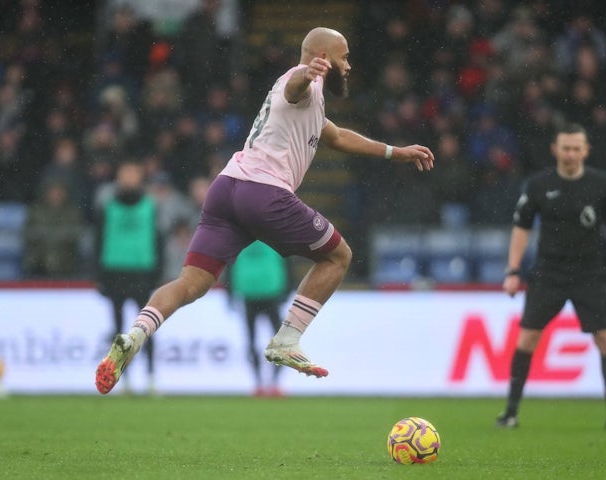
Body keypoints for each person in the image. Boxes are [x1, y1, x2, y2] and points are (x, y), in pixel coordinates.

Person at [95, 27, 434, 395]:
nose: (348, 66)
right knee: (338, 256)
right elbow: (296, 85)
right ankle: (287, 339)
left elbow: (335, 136)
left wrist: (393, 152)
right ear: (323, 56)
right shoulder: (299, 81)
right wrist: (307, 73)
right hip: (263, 192)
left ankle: (136, 333)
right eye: (344, 57)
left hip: (226, 188)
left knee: (191, 283)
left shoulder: (310, 102)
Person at [496, 123, 606, 428]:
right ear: (555, 150)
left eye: (576, 148)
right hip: (549, 272)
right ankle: (511, 412)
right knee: (528, 337)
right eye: (565, 148)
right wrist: (513, 270)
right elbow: (522, 227)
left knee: (604, 338)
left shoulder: (600, 185)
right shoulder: (538, 185)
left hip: (591, 272)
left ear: (586, 151)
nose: (570, 154)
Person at [95, 159, 163, 394]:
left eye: (133, 173)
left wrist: (157, 272)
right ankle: (119, 378)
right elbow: (98, 241)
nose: (130, 178)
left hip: (141, 273)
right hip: (115, 273)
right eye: (126, 173)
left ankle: (151, 377)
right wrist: (99, 275)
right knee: (117, 331)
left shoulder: (150, 207)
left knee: (146, 328)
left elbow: (159, 240)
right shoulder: (108, 207)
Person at [228, 240, 291, 397]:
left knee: (254, 340)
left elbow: (229, 262)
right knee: (276, 340)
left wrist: (229, 291)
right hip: (267, 289)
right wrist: (288, 288)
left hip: (256, 291)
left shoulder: (239, 235)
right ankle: (265, 383)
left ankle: (266, 383)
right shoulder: (273, 233)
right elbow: (287, 261)